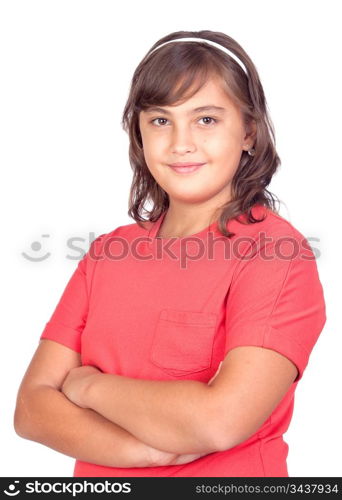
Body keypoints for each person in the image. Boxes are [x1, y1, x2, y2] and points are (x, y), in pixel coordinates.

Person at [14, 30, 326, 477]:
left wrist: (87, 386)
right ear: (139, 134)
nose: (181, 143)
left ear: (249, 133)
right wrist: (148, 452)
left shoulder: (276, 255)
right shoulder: (106, 254)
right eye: (161, 120)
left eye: (206, 120)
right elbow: (30, 409)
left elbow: (222, 422)